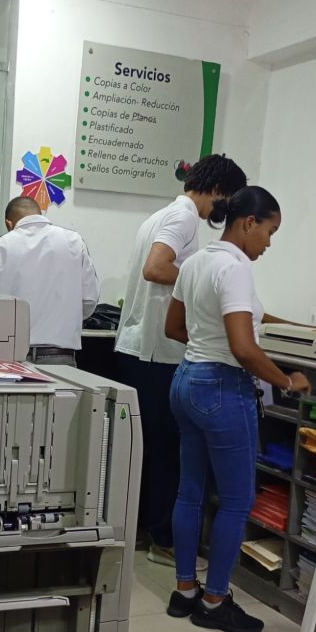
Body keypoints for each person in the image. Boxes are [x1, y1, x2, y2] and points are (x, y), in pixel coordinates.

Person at [164, 186, 312, 632]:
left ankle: (184, 591)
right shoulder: (235, 268)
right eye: (270, 231)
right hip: (222, 388)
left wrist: (207, 346)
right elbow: (244, 349)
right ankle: (214, 602)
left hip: (186, 380)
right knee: (236, 499)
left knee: (190, 491)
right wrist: (286, 381)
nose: (268, 242)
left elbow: (174, 328)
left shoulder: (195, 262)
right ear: (249, 223)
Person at [115, 154, 248, 569]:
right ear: (218, 191)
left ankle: (142, 529)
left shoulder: (160, 215)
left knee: (149, 450)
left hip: (139, 348)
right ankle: (164, 540)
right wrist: (202, 281)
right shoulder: (185, 217)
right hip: (157, 352)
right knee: (169, 453)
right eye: (227, 200)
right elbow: (156, 268)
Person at [0, 197, 100, 366]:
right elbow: (90, 299)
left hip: (12, 357)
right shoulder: (74, 241)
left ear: (8, 224)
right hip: (60, 357)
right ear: (39, 213)